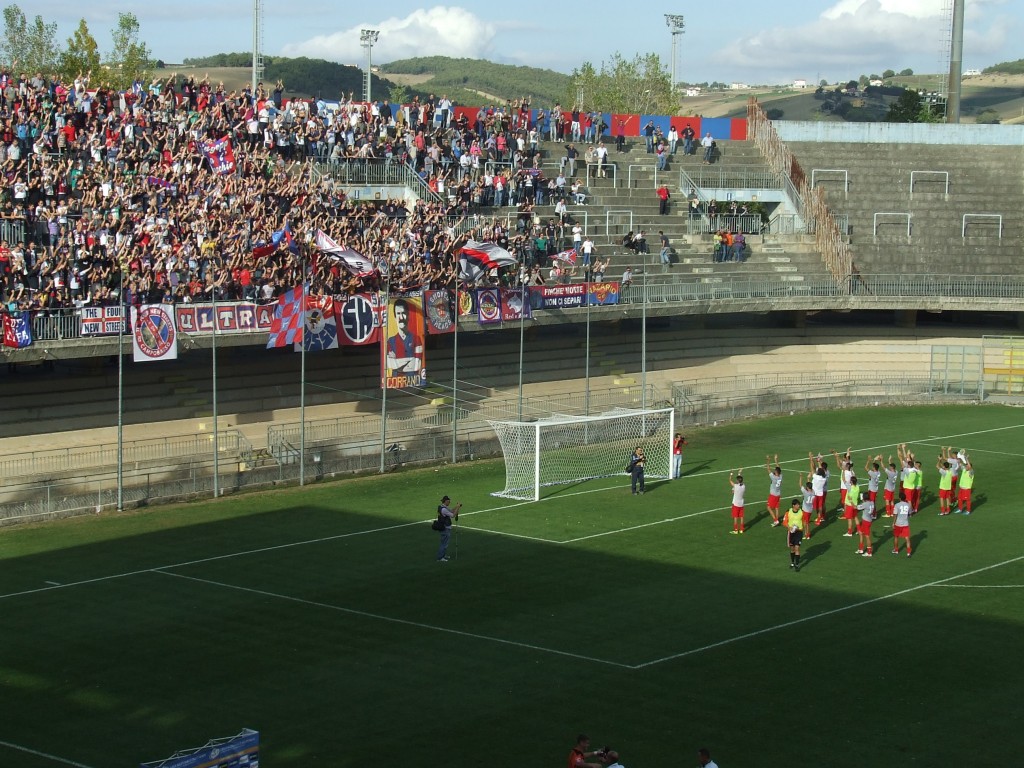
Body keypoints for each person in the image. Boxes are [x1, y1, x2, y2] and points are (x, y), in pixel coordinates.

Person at [387, 298, 423, 375]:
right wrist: (410, 361)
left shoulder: (417, 339)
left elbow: (417, 364)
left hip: (413, 382)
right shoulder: (390, 341)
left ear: (408, 315)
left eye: (403, 313)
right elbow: (391, 365)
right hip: (396, 383)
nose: (401, 317)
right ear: (395, 316)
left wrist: (398, 363)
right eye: (398, 314)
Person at [435, 495, 462, 562]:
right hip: (445, 528)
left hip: (444, 527)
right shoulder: (444, 509)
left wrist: (457, 506)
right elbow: (453, 515)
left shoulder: (442, 507)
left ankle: (443, 555)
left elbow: (452, 510)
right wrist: (458, 508)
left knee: (444, 543)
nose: (449, 502)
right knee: (444, 543)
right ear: (446, 501)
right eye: (449, 501)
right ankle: (440, 557)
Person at [891, 490, 913, 556]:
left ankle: (896, 549)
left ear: (900, 498)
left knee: (896, 537)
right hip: (905, 523)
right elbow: (910, 514)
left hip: (898, 524)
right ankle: (908, 552)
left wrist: (893, 523)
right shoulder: (908, 505)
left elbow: (895, 515)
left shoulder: (897, 505)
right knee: (907, 538)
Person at [785, 498, 804, 571]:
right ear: (793, 505)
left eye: (799, 504)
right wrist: (789, 528)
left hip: (798, 532)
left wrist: (803, 530)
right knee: (792, 549)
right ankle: (792, 562)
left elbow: (804, 521)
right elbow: (785, 522)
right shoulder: (788, 511)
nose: (798, 506)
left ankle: (797, 564)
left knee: (797, 548)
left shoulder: (801, 512)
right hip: (791, 533)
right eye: (797, 505)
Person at [766, 455, 783, 527]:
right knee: (776, 507)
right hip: (778, 494)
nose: (774, 471)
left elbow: (768, 468)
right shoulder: (781, 476)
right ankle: (777, 519)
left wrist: (768, 460)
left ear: (776, 472)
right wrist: (776, 460)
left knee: (768, 507)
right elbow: (778, 467)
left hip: (773, 495)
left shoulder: (773, 477)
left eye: (775, 470)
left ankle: (775, 520)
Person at [842, 473, 861, 537]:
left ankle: (849, 532)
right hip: (855, 505)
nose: (849, 481)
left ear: (852, 482)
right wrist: (853, 473)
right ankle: (858, 530)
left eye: (850, 480)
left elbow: (843, 479)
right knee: (855, 517)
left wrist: (843, 471)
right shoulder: (857, 486)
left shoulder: (850, 487)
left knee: (849, 519)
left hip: (850, 505)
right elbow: (855, 478)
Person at [728, 469, 745, 534]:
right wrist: (739, 473)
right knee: (741, 517)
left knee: (735, 517)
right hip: (741, 504)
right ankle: (741, 529)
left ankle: (735, 530)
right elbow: (739, 481)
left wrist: (731, 474)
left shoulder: (735, 486)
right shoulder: (743, 486)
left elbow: (730, 480)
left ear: (737, 481)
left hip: (736, 504)